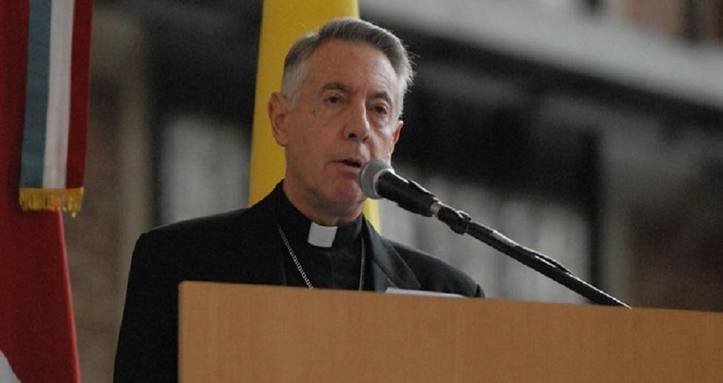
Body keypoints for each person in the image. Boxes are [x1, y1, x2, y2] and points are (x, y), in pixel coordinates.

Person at [114, 17, 482, 382]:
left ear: (394, 139)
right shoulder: (179, 263)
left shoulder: (448, 296)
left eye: (378, 109)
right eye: (335, 99)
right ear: (280, 119)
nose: (359, 127)